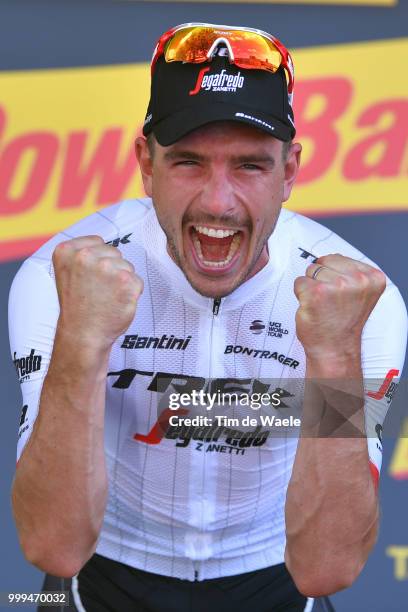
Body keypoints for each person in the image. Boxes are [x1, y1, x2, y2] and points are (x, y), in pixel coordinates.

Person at [8, 22, 407, 612]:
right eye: (189, 162)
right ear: (146, 162)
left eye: (249, 166)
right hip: (99, 584)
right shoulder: (61, 275)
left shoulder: (359, 303)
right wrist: (83, 343)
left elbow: (328, 565)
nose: (218, 202)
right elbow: (53, 546)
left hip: (275, 585)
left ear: (290, 171)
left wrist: (332, 356)